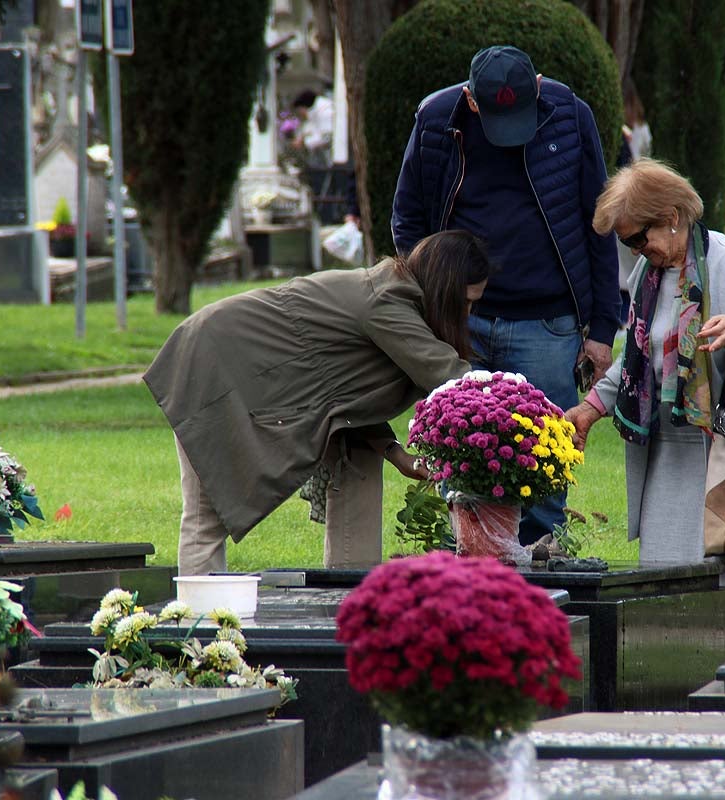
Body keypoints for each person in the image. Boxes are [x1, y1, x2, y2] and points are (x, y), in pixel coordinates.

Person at [143, 230, 492, 576]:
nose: (468, 313)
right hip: (215, 362)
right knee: (206, 517)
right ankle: (198, 613)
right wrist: (515, 411)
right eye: (465, 301)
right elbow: (453, 380)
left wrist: (394, 452)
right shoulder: (386, 302)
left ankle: (352, 596)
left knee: (358, 457)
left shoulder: (395, 296)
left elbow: (347, 400)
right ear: (443, 288)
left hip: (248, 367)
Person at [392, 45, 620, 545]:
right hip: (459, 322)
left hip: (547, 323)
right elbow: (408, 218)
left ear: (537, 86)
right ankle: (466, 563)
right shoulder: (436, 119)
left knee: (544, 465)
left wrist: (603, 328)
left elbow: (599, 223)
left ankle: (540, 568)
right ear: (471, 100)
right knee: (459, 458)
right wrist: (432, 299)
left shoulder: (570, 115)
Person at [565, 159, 725, 641]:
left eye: (637, 238)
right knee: (666, 580)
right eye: (627, 243)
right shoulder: (646, 275)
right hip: (666, 451)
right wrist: (591, 407)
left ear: (671, 216)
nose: (635, 251)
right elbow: (637, 358)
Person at [292, 88, 335, 162]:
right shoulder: (316, 110)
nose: (300, 115)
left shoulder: (325, 111)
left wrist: (304, 143)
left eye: (299, 112)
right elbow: (312, 126)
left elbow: (326, 138)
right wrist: (303, 136)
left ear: (303, 107)